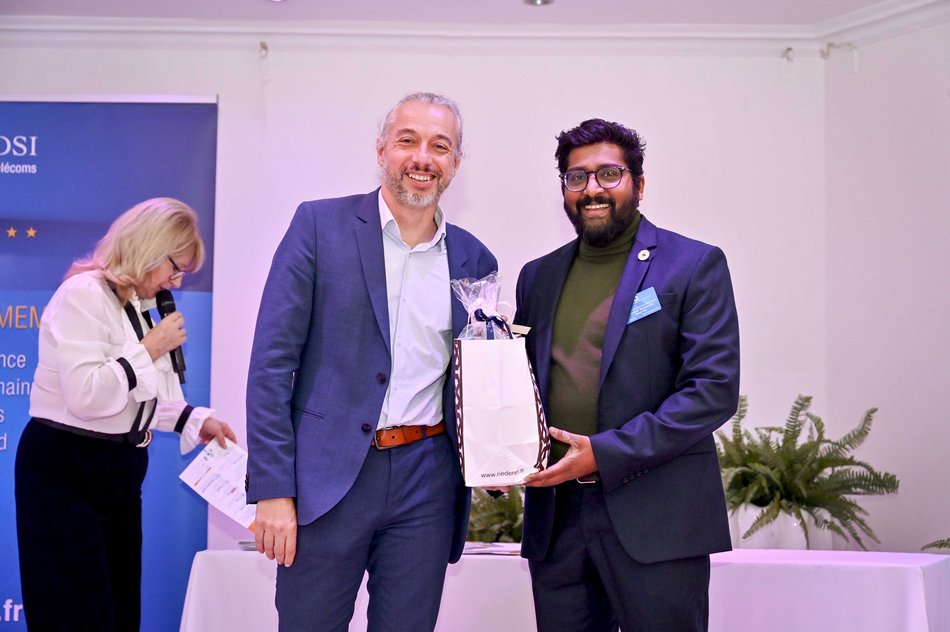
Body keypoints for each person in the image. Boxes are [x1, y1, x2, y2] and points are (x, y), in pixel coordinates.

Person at [246, 92, 497, 631]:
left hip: (427, 481)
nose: (422, 157)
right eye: (408, 140)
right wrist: (272, 487)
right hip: (326, 479)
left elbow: (477, 381)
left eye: (440, 146)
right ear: (382, 150)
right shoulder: (319, 226)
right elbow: (271, 366)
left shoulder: (475, 259)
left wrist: (498, 456)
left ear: (456, 163)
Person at [515, 118, 740, 632]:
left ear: (639, 183)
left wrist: (605, 453)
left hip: (658, 519)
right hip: (558, 520)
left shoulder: (693, 265)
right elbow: (524, 385)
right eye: (577, 177)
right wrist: (496, 455)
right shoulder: (538, 276)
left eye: (608, 174)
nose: (592, 189)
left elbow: (712, 391)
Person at [14, 197, 235, 631]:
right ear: (149, 249)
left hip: (118, 475)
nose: (175, 282)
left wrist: (191, 419)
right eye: (175, 268)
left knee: (118, 614)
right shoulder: (83, 295)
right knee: (75, 617)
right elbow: (87, 396)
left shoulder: (133, 303)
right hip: (66, 472)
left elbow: (134, 396)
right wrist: (150, 348)